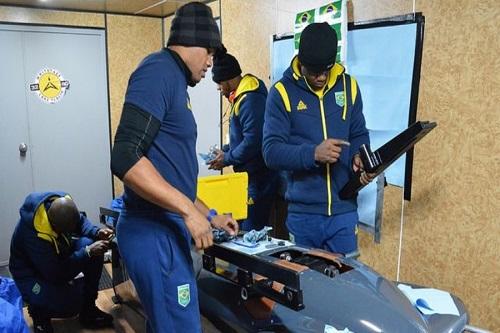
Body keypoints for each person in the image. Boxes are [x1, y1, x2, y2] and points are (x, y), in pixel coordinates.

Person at [110, 2, 238, 332]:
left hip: (165, 229)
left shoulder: (175, 81)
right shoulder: (158, 71)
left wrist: (210, 216)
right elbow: (125, 156)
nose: (211, 61)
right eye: (209, 51)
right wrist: (188, 212)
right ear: (191, 41)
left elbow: (169, 175)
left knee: (168, 323)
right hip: (153, 231)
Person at [262, 22, 374, 255]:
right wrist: (313, 154)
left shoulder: (349, 85)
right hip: (304, 215)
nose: (322, 77)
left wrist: (359, 154)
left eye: (327, 70)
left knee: (345, 285)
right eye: (314, 71)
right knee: (307, 286)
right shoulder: (281, 93)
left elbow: (359, 132)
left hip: (344, 211)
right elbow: (270, 151)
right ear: (300, 62)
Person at [9, 191, 114, 333]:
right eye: (67, 230)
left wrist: (96, 232)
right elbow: (56, 273)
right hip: (30, 274)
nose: (73, 231)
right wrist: (87, 252)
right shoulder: (32, 236)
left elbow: (80, 221)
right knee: (71, 304)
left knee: (92, 244)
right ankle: (39, 314)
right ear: (55, 227)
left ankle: (89, 310)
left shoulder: (61, 203)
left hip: (55, 257)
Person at [209, 51, 278, 231]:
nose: (218, 89)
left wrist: (228, 158)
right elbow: (243, 136)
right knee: (243, 226)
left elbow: (253, 142)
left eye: (219, 84)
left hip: (259, 178)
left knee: (251, 230)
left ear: (228, 80)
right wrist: (225, 151)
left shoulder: (251, 100)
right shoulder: (240, 96)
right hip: (248, 178)